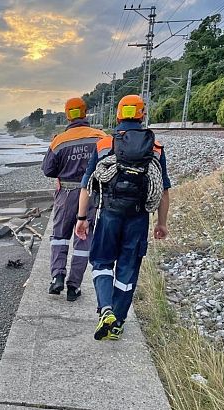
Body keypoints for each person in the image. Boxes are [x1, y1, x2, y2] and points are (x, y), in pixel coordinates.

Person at [75, 94, 171, 340]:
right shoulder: (156, 149)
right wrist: (161, 223)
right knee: (127, 270)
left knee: (101, 262)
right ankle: (117, 323)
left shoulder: (104, 145)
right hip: (138, 218)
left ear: (118, 115)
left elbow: (87, 186)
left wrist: (81, 218)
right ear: (142, 115)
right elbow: (162, 191)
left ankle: (105, 309)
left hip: (109, 215)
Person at [42, 97, 109, 301]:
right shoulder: (100, 137)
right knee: (83, 239)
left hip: (66, 193)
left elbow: (48, 169)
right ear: (85, 112)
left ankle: (57, 277)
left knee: (60, 236)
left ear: (66, 115)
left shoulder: (59, 140)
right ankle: (74, 286)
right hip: (91, 193)